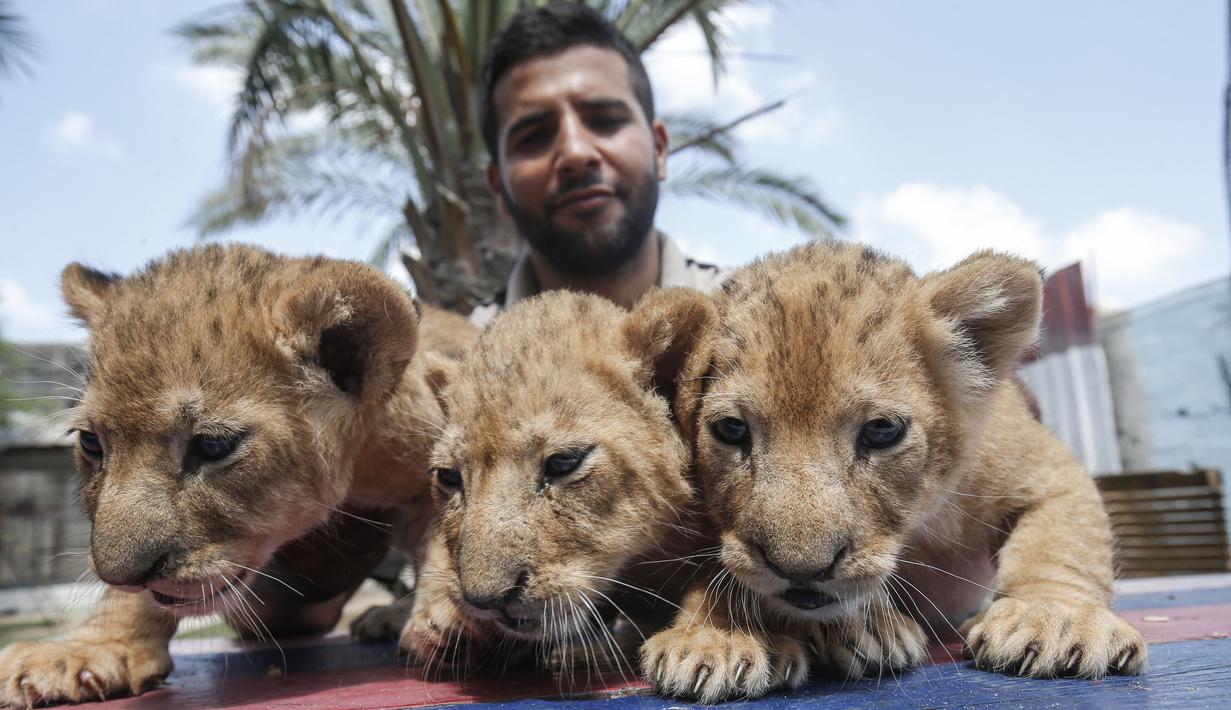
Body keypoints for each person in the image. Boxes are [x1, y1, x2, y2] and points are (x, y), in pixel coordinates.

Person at [469, 2, 724, 327]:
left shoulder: (765, 331)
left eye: (605, 121)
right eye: (534, 137)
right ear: (499, 187)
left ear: (659, 148)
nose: (575, 153)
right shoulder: (452, 368)